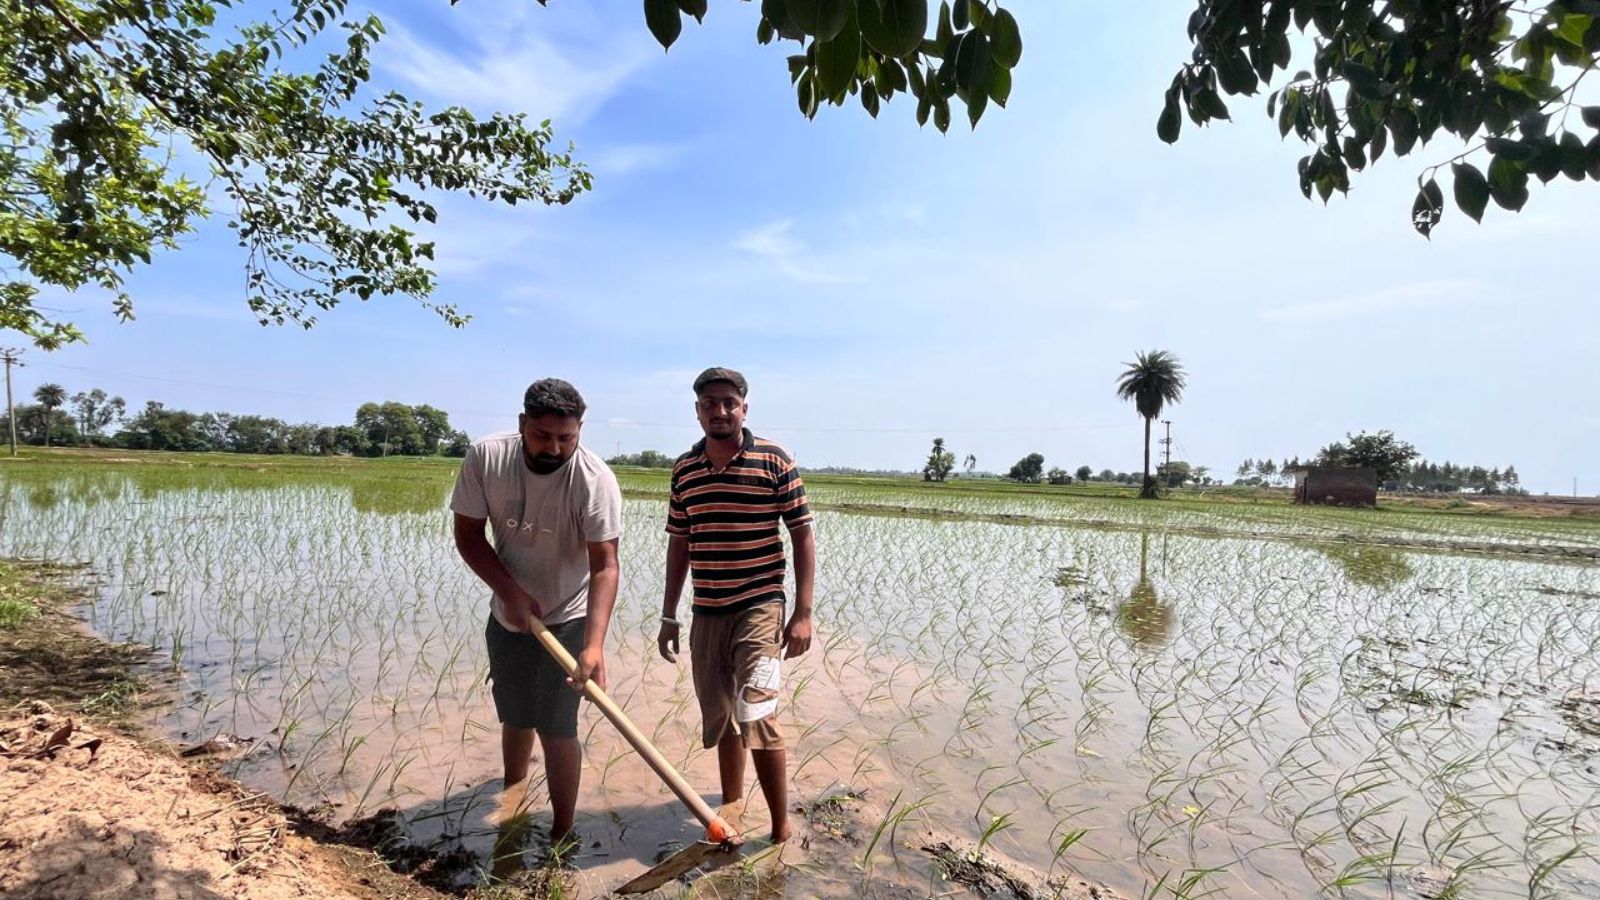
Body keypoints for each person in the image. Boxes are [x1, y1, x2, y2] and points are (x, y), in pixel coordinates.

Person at [451, 378, 622, 850]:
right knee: (515, 713)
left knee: (557, 724)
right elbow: (468, 536)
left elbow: (605, 565)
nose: (555, 447)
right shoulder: (487, 458)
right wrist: (509, 591)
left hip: (568, 614)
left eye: (567, 438)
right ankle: (513, 796)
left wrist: (593, 645)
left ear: (580, 430)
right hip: (508, 612)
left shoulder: (594, 480)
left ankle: (563, 831)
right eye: (543, 436)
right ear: (522, 423)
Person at [655, 367, 815, 843]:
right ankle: (732, 810)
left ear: (744, 407)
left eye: (729, 403)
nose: (720, 412)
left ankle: (781, 829)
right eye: (710, 404)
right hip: (707, 608)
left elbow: (802, 534)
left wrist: (802, 613)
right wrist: (669, 614)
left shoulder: (774, 460)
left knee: (757, 712)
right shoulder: (685, 470)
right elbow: (679, 544)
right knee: (722, 714)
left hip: (760, 605)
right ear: (698, 410)